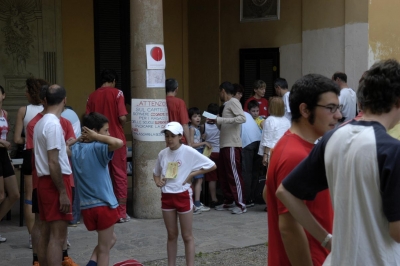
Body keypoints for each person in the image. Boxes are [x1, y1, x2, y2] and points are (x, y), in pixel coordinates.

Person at [277, 59, 400, 265]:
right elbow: (396, 231)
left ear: (362, 101)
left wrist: (326, 239)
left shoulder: (332, 138)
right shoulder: (391, 150)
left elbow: (285, 192)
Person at [265, 74, 342, 266]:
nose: (338, 115)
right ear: (305, 110)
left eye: (338, 108)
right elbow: (289, 228)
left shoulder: (287, 145)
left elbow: (268, 194)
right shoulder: (296, 155)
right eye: (330, 108)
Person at [27, 84, 77, 266]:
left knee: (46, 232)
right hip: (55, 181)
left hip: (43, 181)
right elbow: (53, 161)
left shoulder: (39, 123)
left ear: (45, 100)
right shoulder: (54, 125)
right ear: (65, 100)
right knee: (57, 237)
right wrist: (63, 192)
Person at [153, 122, 216, 266]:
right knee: (171, 234)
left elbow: (212, 165)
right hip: (167, 196)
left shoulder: (188, 151)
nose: (169, 139)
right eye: (167, 136)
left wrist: (192, 174)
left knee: (187, 235)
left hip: (183, 195)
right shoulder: (162, 153)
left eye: (173, 136)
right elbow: (155, 173)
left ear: (180, 136)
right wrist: (158, 182)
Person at [70, 112, 123, 266]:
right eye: (106, 130)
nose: (108, 133)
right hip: (104, 205)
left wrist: (76, 140)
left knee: (110, 239)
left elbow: (63, 148)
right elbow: (119, 142)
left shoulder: (76, 149)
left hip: (87, 208)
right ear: (93, 131)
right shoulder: (99, 147)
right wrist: (96, 137)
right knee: (105, 250)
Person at [86, 69, 130, 223]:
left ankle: (103, 210)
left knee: (99, 174)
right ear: (113, 81)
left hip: (96, 140)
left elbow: (88, 119)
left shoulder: (92, 96)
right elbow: (122, 117)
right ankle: (121, 212)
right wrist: (121, 122)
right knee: (119, 175)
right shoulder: (118, 93)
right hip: (116, 139)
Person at [13, 78, 45, 248]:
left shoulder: (23, 111)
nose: (24, 93)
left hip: (29, 153)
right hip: (46, 153)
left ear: (32, 92)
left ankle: (33, 236)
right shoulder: (49, 109)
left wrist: (30, 137)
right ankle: (53, 233)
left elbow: (17, 139)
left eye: (26, 90)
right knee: (46, 194)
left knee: (28, 196)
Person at [214, 81, 247, 214]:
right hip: (225, 144)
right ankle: (229, 200)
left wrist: (222, 120)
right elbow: (224, 126)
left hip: (232, 145)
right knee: (224, 174)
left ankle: (241, 204)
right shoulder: (226, 105)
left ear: (223, 91)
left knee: (234, 175)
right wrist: (217, 121)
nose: (219, 94)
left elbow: (242, 118)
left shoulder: (233, 102)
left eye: (220, 91)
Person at [0, 85, 20, 243]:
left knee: (14, 194)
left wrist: (9, 157)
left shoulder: (4, 113)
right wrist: (2, 142)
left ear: (3, 95)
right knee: (0, 195)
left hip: (4, 155)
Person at [187, 107, 211, 214]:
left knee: (198, 179)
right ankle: (196, 203)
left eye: (199, 116)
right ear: (190, 118)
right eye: (195, 116)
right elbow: (191, 144)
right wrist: (204, 143)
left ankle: (195, 202)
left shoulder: (196, 128)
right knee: (198, 179)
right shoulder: (191, 129)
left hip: (198, 154)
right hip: (195, 155)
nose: (198, 118)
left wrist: (202, 137)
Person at [61, 106, 82, 227]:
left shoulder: (66, 115)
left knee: (72, 184)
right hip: (73, 151)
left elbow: (69, 139)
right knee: (74, 184)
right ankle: (74, 216)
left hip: (70, 153)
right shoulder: (71, 113)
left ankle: (73, 216)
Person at [258, 96, 291, 166]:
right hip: (285, 152)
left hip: (273, 153)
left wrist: (265, 155)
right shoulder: (287, 121)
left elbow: (267, 139)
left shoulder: (270, 120)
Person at [241, 105, 261, 208]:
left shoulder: (237, 115)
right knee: (255, 172)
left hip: (247, 143)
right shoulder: (247, 115)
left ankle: (247, 199)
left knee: (247, 172)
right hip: (258, 141)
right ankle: (253, 197)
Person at [203, 103, 221, 208]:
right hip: (220, 151)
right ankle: (220, 197)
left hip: (209, 152)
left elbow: (203, 137)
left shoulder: (203, 126)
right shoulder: (220, 125)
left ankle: (213, 198)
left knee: (212, 178)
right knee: (220, 176)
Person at [165, 78, 191, 145]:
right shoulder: (180, 102)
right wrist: (189, 144)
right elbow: (184, 124)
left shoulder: (161, 102)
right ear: (176, 89)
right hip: (178, 140)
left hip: (165, 139)